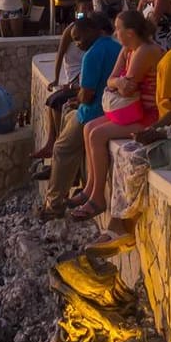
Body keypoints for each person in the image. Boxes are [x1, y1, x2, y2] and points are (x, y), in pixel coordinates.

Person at [64, 11, 163, 219]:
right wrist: (118, 82)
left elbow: (127, 88)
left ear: (130, 32)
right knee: (90, 127)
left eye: (118, 29)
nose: (115, 32)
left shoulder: (145, 51)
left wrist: (119, 83)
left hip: (147, 116)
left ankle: (98, 197)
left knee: (97, 135)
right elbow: (114, 81)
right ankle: (90, 188)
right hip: (130, 112)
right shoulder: (128, 50)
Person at [42, 13, 119, 217]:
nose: (77, 44)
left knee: (61, 148)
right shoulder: (115, 47)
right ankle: (74, 177)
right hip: (111, 109)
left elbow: (87, 95)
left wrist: (79, 98)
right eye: (74, 40)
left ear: (92, 31)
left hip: (94, 112)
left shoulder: (92, 54)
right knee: (66, 117)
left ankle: (54, 204)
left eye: (79, 38)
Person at [32, 0, 98, 160]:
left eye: (89, 6)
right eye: (84, 7)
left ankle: (54, 143)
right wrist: (55, 78)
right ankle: (52, 142)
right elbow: (60, 54)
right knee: (53, 100)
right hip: (75, 77)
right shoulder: (72, 30)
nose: (87, 9)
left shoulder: (93, 30)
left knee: (57, 101)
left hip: (83, 81)